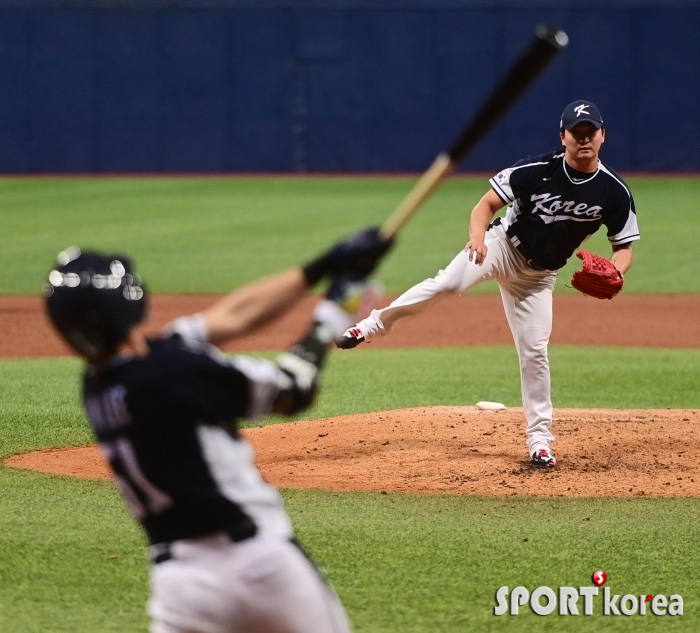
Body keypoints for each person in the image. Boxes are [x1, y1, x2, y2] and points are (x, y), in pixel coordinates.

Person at [42, 228, 392, 633]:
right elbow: (295, 390)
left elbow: (235, 314)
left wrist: (327, 263)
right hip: (262, 569)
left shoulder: (100, 386)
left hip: (182, 589)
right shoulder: (173, 372)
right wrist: (334, 312)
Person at [336, 100, 640, 469]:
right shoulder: (536, 169)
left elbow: (623, 246)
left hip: (539, 278)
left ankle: (540, 441)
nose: (583, 140)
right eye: (575, 134)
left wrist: (618, 271)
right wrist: (478, 238)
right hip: (500, 248)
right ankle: (371, 325)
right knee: (448, 282)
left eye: (590, 133)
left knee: (535, 352)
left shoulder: (613, 191)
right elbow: (486, 203)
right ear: (563, 137)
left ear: (603, 136)